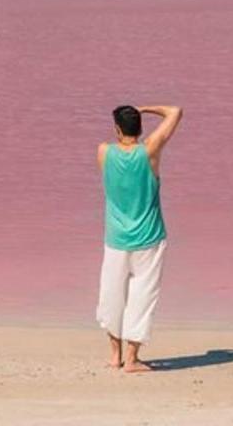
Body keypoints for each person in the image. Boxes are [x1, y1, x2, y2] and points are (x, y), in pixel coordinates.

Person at [96, 104, 183, 373]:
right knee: (142, 297)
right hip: (149, 239)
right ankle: (132, 360)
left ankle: (114, 356)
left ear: (117, 129)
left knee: (112, 296)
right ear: (141, 128)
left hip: (116, 239)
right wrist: (145, 108)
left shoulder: (103, 152)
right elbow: (175, 111)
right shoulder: (150, 152)